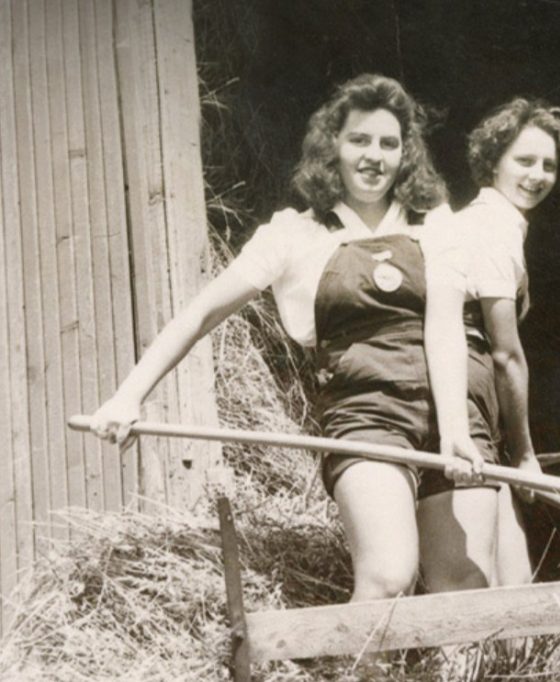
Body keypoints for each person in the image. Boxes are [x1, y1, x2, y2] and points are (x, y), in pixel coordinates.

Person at [88, 74, 501, 603]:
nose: (374, 156)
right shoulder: (292, 234)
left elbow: (443, 323)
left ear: (407, 154)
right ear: (333, 147)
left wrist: (453, 433)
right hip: (366, 415)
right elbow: (199, 314)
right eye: (359, 141)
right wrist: (129, 394)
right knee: (388, 577)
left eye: (389, 143)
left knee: (464, 585)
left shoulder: (436, 224)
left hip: (452, 409)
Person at [425, 98, 560, 586]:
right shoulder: (490, 226)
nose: (537, 175)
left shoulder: (499, 223)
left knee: (516, 583)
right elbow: (506, 353)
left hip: (478, 400)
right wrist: (526, 454)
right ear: (492, 161)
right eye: (524, 160)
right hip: (464, 389)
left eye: (549, 165)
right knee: (470, 577)